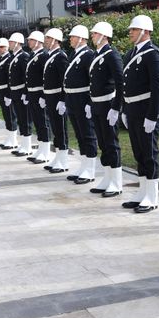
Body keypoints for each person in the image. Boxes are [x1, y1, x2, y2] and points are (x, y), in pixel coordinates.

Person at [119, 15, 159, 210]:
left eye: (134, 30)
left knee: (149, 153)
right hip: (133, 109)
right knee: (138, 153)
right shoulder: (130, 54)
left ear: (145, 31)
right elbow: (125, 85)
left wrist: (153, 115)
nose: (130, 32)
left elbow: (158, 87)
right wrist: (124, 109)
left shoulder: (153, 54)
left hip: (146, 110)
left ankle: (152, 196)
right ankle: (142, 191)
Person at [81, 21, 124, 191]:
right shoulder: (95, 55)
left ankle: (116, 182)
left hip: (108, 105)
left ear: (104, 35)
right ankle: (107, 178)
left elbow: (120, 83)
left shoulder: (111, 54)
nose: (92, 36)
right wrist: (91, 103)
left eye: (94, 33)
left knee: (111, 143)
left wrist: (116, 107)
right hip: (97, 104)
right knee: (103, 144)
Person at [55, 25, 97, 177]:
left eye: (73, 37)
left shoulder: (88, 55)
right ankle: (84, 166)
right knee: (79, 135)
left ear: (81, 38)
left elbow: (93, 81)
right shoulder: (73, 54)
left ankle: (90, 170)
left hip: (83, 98)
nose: (70, 39)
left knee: (88, 134)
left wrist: (89, 102)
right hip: (72, 98)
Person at [42, 28, 70, 172]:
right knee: (55, 128)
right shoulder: (50, 56)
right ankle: (58, 157)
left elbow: (64, 80)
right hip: (50, 96)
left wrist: (62, 100)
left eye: (48, 38)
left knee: (60, 129)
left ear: (55, 40)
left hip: (57, 97)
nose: (45, 41)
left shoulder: (60, 56)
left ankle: (64, 160)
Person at [25, 31, 52, 164]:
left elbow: (45, 77)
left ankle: (46, 151)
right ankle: (41, 148)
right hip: (32, 93)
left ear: (38, 42)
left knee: (43, 122)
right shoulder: (32, 55)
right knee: (37, 121)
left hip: (40, 92)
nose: (28, 42)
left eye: (31, 40)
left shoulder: (43, 55)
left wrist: (43, 96)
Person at [8, 32, 33, 157]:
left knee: (25, 119)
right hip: (15, 92)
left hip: (21, 91)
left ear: (17, 43)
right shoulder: (14, 56)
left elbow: (26, 76)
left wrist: (25, 93)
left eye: (11, 42)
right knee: (20, 119)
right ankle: (23, 144)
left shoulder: (24, 56)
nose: (9, 44)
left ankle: (27, 146)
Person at [0, 37, 18, 149]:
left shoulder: (9, 59)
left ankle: (13, 140)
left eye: (2, 47)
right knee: (6, 115)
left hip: (7, 90)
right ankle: (9, 137)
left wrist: (9, 95)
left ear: (7, 47)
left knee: (10, 115)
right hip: (1, 90)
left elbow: (10, 78)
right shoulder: (1, 59)